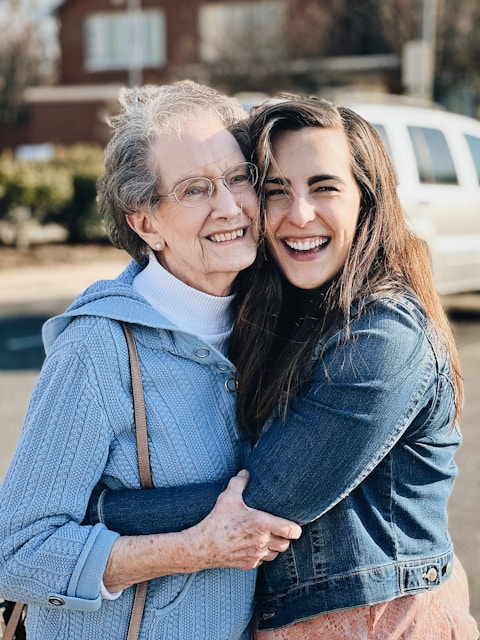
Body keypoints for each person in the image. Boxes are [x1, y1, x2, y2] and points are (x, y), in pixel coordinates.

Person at [84, 95, 479, 639]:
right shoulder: (284, 314)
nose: (299, 214)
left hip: (384, 626)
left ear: (367, 199)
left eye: (324, 187)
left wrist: (98, 513)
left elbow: (263, 502)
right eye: (276, 191)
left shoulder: (385, 337)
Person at [0, 81, 302, 640]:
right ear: (145, 223)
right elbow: (16, 550)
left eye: (239, 179)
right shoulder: (97, 350)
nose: (229, 205)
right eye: (195, 190)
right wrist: (195, 549)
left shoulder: (273, 326)